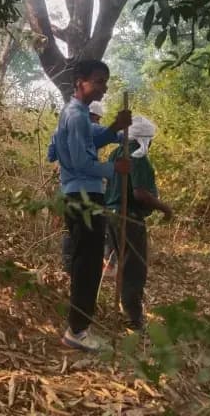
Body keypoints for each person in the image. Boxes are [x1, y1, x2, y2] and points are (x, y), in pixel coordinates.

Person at [51, 59, 131, 351]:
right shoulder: (74, 116)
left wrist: (113, 129)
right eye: (98, 81)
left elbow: (90, 141)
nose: (103, 87)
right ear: (80, 81)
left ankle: (79, 326)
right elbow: (80, 161)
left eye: (105, 82)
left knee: (88, 261)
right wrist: (114, 169)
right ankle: (77, 331)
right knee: (87, 264)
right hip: (83, 197)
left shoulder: (82, 115)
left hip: (84, 195)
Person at [104, 115, 172, 331]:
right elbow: (140, 193)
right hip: (128, 218)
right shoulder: (138, 156)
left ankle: (123, 310)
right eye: (150, 139)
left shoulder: (115, 153)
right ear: (144, 139)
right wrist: (165, 208)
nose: (150, 143)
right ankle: (133, 318)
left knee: (123, 264)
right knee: (134, 268)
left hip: (111, 215)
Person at [51, 100, 113, 274]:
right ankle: (81, 271)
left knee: (72, 230)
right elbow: (115, 134)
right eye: (97, 118)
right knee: (90, 234)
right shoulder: (87, 127)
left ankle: (70, 268)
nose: (98, 122)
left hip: (66, 188)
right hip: (84, 192)